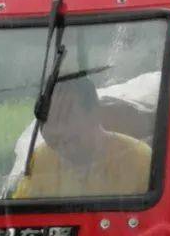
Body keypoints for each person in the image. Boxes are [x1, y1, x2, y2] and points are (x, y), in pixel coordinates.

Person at [13, 74, 152, 200]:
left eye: (65, 117)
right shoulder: (40, 160)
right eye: (47, 119)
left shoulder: (140, 160)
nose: (57, 131)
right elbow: (18, 216)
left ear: (94, 112)